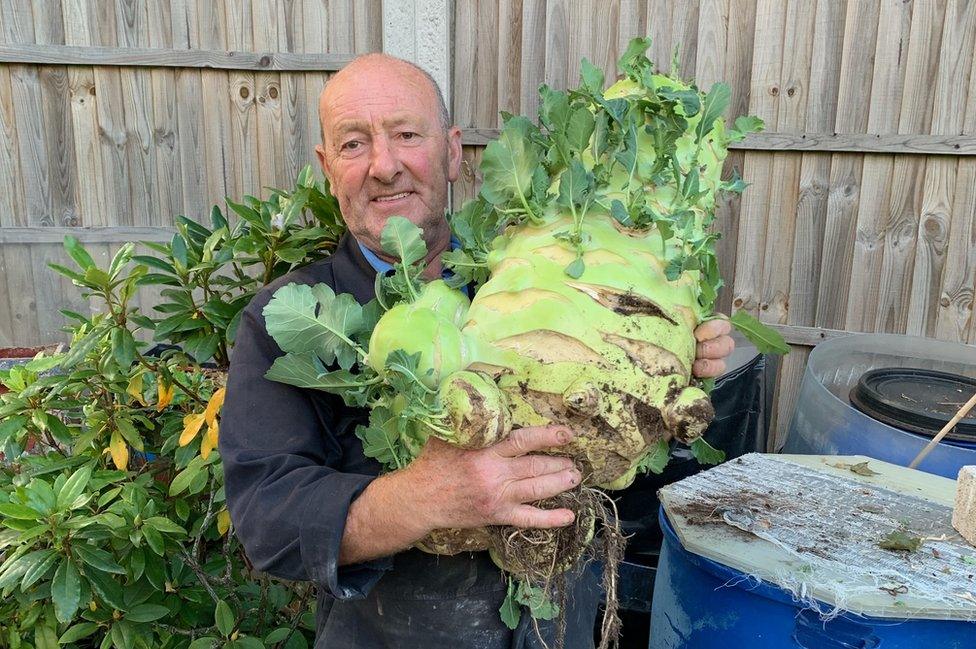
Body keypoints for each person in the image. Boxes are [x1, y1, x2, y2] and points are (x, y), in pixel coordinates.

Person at [220, 53, 735, 649]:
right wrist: (422, 498)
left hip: (561, 626)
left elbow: (631, 477)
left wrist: (659, 366)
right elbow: (267, 519)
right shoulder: (289, 317)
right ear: (327, 167)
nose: (384, 167)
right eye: (354, 144)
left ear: (454, 152)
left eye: (407, 135)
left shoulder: (541, 268)